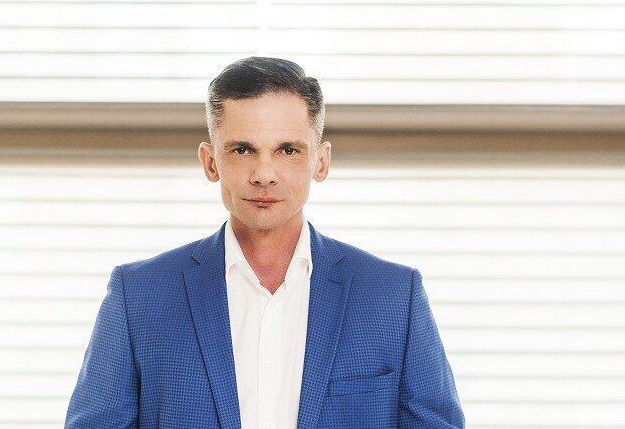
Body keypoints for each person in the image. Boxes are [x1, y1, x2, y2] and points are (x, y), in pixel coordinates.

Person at [65, 56, 465, 428]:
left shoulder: (394, 296)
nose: (264, 174)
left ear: (321, 161)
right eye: (242, 150)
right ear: (210, 162)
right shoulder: (138, 296)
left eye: (288, 150)